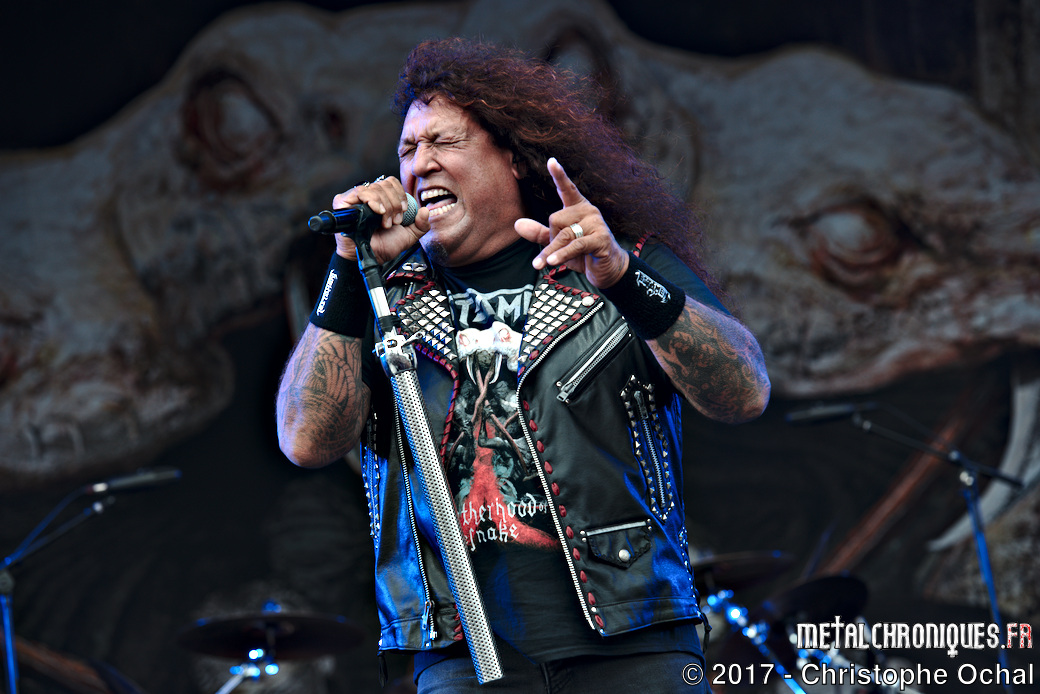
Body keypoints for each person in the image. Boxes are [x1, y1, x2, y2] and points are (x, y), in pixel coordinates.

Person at [276, 37, 770, 693]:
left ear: (513, 156)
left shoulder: (610, 262)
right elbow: (305, 440)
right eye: (407, 150)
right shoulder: (379, 299)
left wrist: (623, 277)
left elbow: (743, 392)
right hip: (461, 660)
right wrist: (348, 268)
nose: (419, 165)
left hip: (634, 643)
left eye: (443, 142)